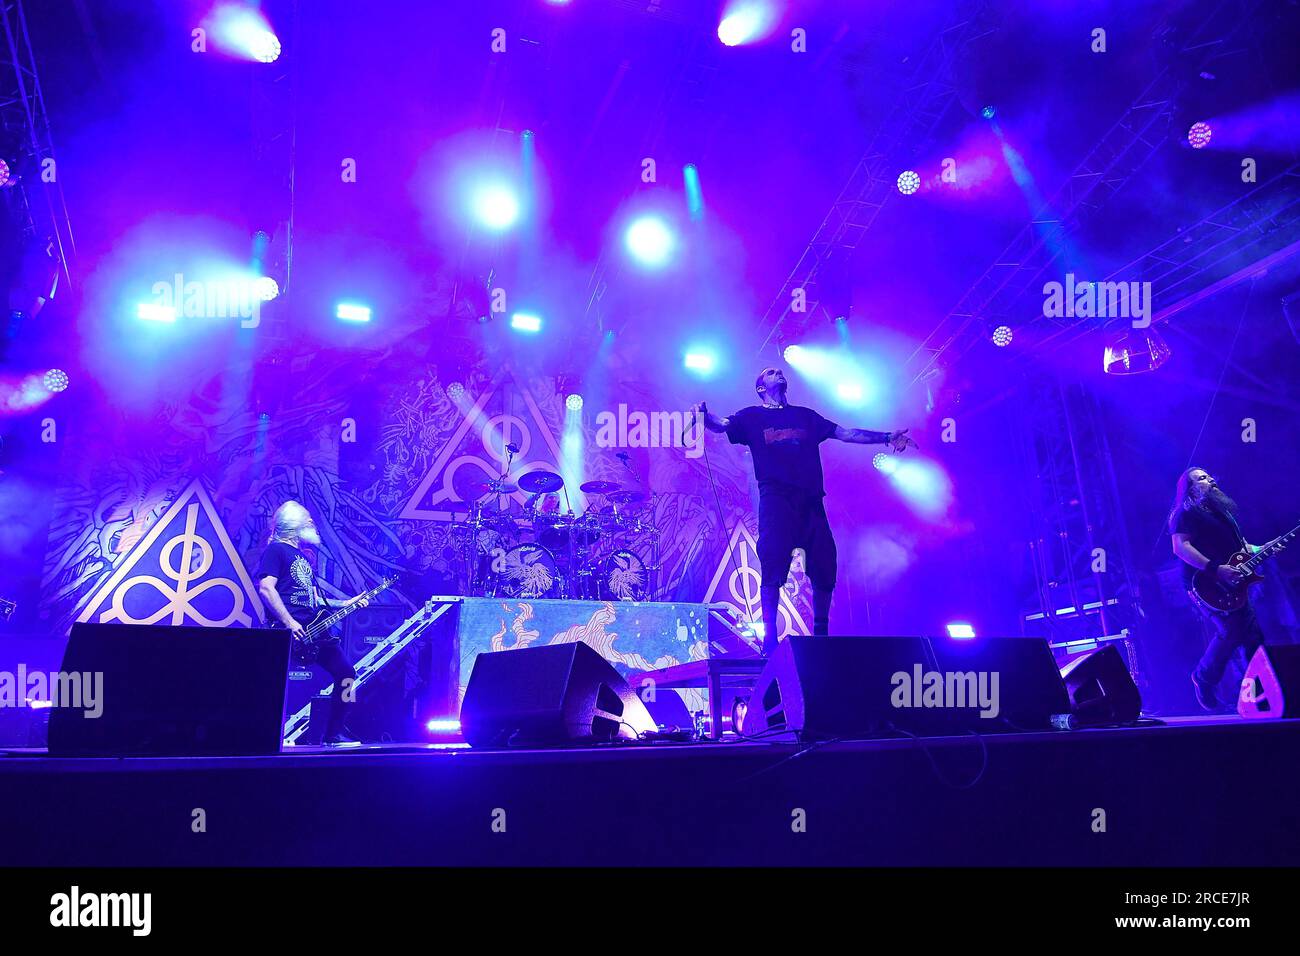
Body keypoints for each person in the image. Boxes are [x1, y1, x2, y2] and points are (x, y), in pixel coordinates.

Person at [693, 367, 916, 654]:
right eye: (771, 373)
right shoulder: (751, 417)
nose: (779, 372)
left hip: (811, 501)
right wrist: (704, 415)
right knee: (773, 562)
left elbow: (846, 433)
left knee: (825, 563)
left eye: (779, 371)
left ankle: (821, 634)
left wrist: (886, 437)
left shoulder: (806, 416)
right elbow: (722, 424)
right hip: (776, 499)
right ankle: (770, 638)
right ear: (761, 387)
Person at [1169, 467, 1282, 711]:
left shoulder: (1222, 514)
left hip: (1233, 583)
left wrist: (1264, 548)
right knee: (1232, 630)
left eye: (1208, 475)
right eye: (1200, 478)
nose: (1208, 479)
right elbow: (1180, 547)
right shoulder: (1186, 512)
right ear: (1189, 488)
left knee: (1252, 637)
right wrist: (1215, 569)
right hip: (1206, 584)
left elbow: (1241, 549)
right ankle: (1204, 677)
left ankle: (1257, 695)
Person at [256, 500, 367, 746]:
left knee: (347, 674)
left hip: (315, 630)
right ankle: (265, 735)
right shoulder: (276, 550)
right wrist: (288, 621)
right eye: (308, 521)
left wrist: (348, 603)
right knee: (272, 682)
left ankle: (334, 732)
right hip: (288, 631)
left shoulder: (301, 556)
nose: (313, 525)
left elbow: (312, 597)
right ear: (295, 527)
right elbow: (266, 588)